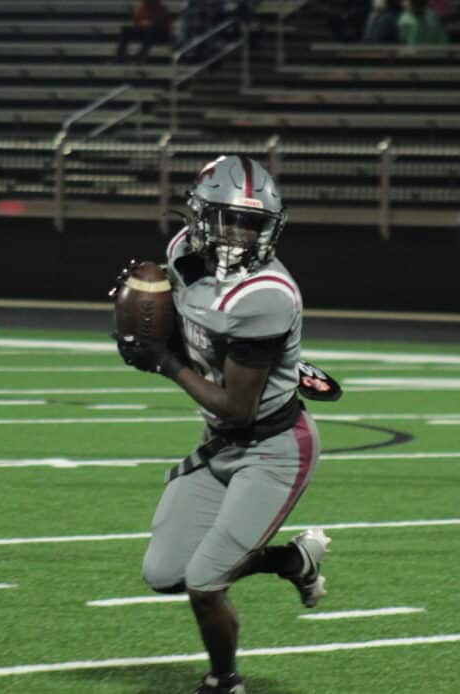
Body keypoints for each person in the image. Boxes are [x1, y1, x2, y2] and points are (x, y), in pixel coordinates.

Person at [117, 155, 329, 694]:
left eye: (252, 224)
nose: (238, 234)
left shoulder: (265, 295)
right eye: (228, 219)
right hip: (219, 443)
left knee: (205, 582)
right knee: (164, 574)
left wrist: (164, 361)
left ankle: (224, 680)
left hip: (273, 448)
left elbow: (238, 408)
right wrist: (144, 309)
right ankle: (291, 560)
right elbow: (189, 318)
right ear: (198, 215)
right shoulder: (184, 254)